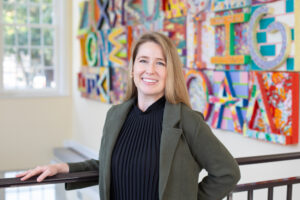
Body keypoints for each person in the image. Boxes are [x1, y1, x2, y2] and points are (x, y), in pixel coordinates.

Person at [17, 32, 240, 200]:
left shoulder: (186, 120)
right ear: (133, 68)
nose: (150, 70)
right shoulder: (115, 115)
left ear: (170, 72)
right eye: (143, 60)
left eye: (160, 63)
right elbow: (108, 165)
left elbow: (227, 173)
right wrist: (62, 168)